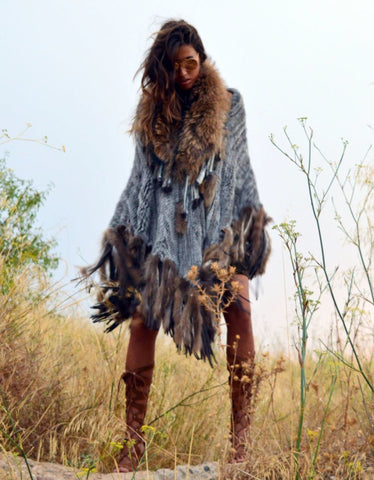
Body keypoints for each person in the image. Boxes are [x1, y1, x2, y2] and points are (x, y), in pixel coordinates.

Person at [82, 19, 271, 473]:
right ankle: (132, 445)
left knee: (240, 307)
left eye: (192, 62)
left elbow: (238, 175)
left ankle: (240, 449)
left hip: (218, 235)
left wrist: (242, 241)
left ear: (202, 60)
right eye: (175, 66)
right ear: (164, 69)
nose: (185, 72)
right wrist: (130, 244)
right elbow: (141, 184)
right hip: (167, 237)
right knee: (143, 321)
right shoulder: (151, 118)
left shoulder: (230, 106)